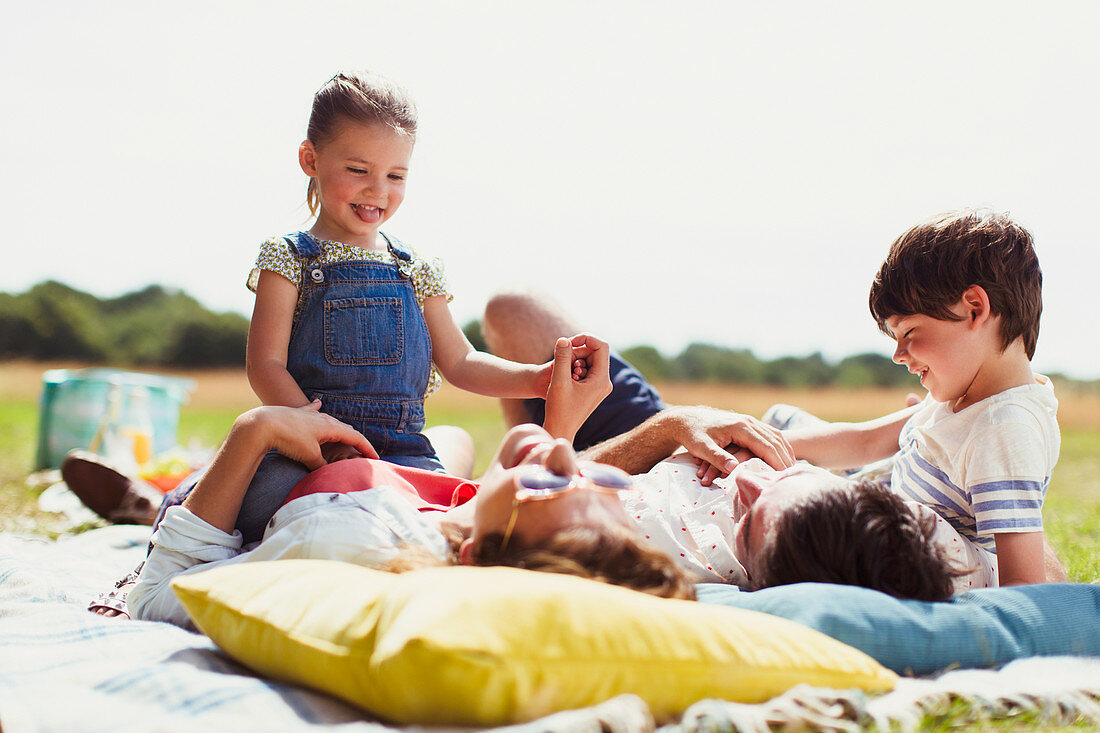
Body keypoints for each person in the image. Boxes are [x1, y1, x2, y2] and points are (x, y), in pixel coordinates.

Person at [234, 70, 595, 539]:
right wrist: (318, 435)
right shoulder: (290, 257)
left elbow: (461, 362)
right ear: (310, 159)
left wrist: (537, 378)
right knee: (254, 516)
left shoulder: (416, 267)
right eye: (358, 170)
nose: (378, 190)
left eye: (395, 175)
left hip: (404, 451)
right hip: (306, 449)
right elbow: (265, 365)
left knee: (450, 524)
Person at [128, 336, 695, 627]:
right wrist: (558, 423)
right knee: (451, 437)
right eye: (606, 485)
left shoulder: (341, 545)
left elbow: (153, 598)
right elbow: (550, 481)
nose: (567, 463)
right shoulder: (479, 528)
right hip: (413, 485)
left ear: (474, 557)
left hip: (280, 483)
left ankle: (143, 500)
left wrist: (257, 429)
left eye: (545, 488)